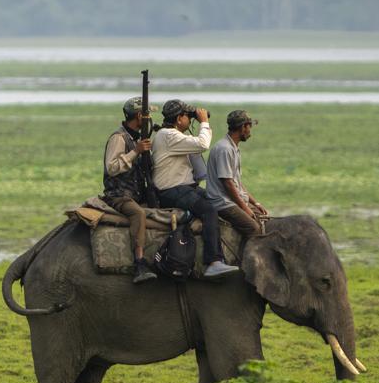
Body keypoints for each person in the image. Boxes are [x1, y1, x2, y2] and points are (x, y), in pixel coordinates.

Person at [151, 99, 239, 279]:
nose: (190, 121)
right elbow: (202, 144)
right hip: (172, 190)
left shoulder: (172, 136)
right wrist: (204, 122)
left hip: (183, 188)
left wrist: (201, 123)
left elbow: (197, 144)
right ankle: (213, 262)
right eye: (187, 117)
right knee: (208, 210)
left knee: (216, 199)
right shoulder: (169, 136)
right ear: (178, 119)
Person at [102, 96, 157, 284]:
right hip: (118, 194)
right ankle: (139, 261)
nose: (150, 119)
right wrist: (136, 152)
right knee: (138, 214)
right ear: (140, 116)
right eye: (147, 115)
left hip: (134, 193)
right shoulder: (119, 138)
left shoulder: (137, 138)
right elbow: (112, 167)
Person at [207, 110, 268, 238]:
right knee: (254, 229)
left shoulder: (233, 147)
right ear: (242, 127)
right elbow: (228, 184)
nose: (250, 131)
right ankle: (245, 258)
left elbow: (237, 183)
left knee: (266, 220)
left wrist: (255, 203)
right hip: (224, 203)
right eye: (249, 127)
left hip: (232, 200)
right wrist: (246, 209)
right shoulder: (225, 149)